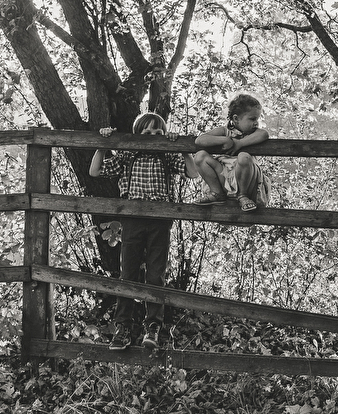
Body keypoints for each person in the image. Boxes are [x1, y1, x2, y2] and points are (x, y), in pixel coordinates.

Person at [89, 112, 198, 350]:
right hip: (133, 221)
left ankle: (153, 327)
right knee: (127, 273)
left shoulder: (166, 156)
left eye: (157, 133)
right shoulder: (128, 156)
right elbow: (95, 171)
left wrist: (182, 147)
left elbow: (193, 172)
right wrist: (103, 144)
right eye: (146, 133)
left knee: (155, 274)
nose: (152, 137)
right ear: (137, 135)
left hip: (160, 221)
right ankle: (123, 327)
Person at [193, 93, 270, 211]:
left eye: (257, 119)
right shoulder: (225, 131)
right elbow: (200, 140)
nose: (256, 123)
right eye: (252, 119)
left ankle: (243, 195)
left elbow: (264, 134)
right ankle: (217, 193)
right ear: (236, 119)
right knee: (200, 157)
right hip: (224, 177)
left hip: (247, 180)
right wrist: (225, 140)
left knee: (244, 157)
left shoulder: (254, 133)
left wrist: (239, 143)